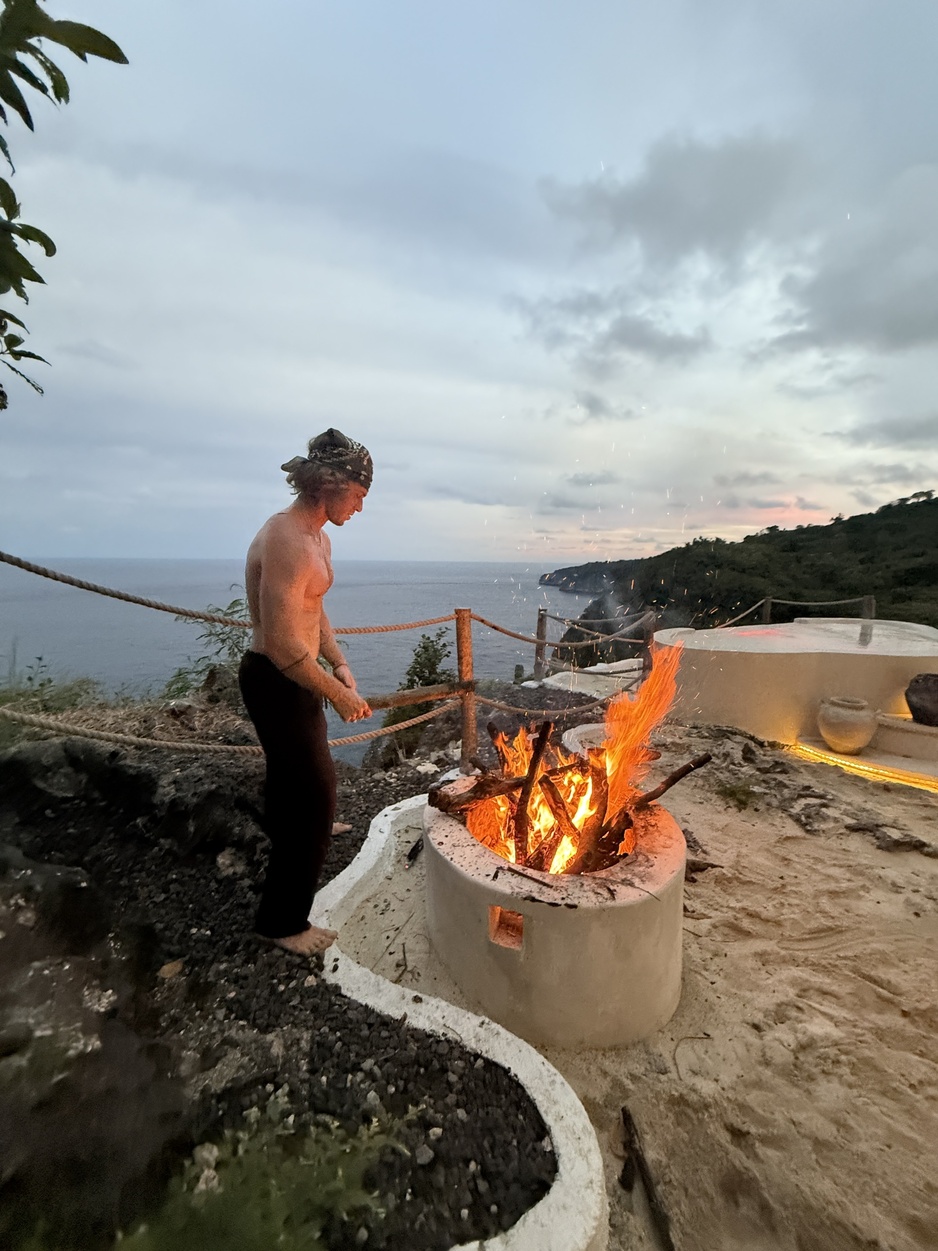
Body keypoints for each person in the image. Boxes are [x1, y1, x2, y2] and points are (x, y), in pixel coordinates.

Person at [238, 429, 373, 955]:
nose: (360, 508)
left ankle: (297, 824)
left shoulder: (318, 536)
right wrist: (337, 695)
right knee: (317, 791)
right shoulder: (287, 539)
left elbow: (314, 610)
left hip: (300, 673)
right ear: (331, 485)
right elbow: (279, 644)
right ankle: (282, 923)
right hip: (275, 676)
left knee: (293, 777)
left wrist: (338, 663)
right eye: (358, 496)